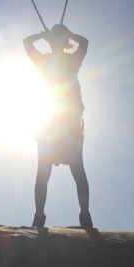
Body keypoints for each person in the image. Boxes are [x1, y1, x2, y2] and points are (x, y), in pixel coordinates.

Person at [24, 24, 92, 229]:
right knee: (63, 172)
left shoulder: (50, 60)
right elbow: (85, 42)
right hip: (57, 124)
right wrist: (62, 35)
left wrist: (44, 36)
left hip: (58, 124)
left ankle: (42, 216)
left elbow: (27, 43)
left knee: (61, 172)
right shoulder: (70, 60)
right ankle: (82, 215)